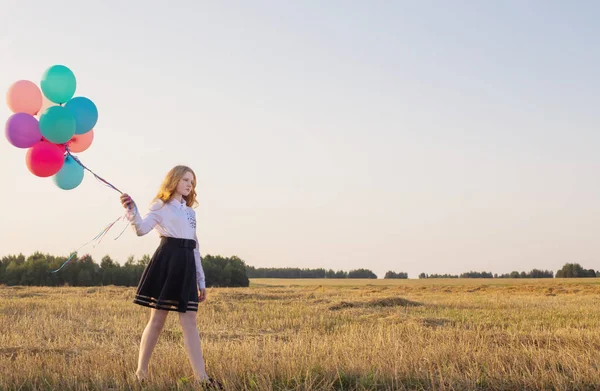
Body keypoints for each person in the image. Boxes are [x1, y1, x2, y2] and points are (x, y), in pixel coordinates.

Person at [120, 165, 223, 390]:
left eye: (192, 182)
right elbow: (141, 229)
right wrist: (132, 210)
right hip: (167, 262)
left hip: (186, 264)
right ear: (174, 180)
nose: (189, 185)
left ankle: (202, 378)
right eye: (186, 180)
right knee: (157, 320)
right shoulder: (160, 205)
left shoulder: (190, 212)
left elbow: (195, 245)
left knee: (190, 323)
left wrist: (201, 279)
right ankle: (141, 373)